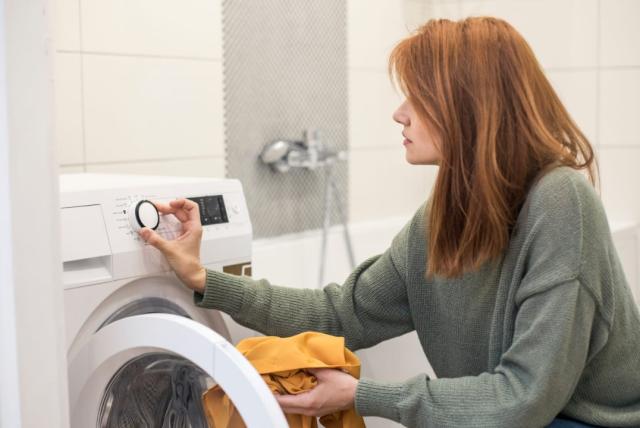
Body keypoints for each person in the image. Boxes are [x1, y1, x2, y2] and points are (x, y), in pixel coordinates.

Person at [139, 17, 640, 428]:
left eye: (417, 97)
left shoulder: (559, 203)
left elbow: (525, 398)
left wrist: (363, 395)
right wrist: (206, 280)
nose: (399, 114)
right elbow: (339, 313)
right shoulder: (444, 216)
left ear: (469, 105)